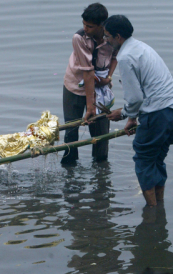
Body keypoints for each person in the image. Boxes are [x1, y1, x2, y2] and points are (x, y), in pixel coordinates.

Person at [105, 15, 173, 208]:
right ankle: (160, 205)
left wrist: (124, 114)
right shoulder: (142, 47)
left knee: (144, 159)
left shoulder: (124, 56)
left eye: (107, 37)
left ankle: (152, 213)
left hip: (158, 113)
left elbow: (135, 98)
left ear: (118, 36)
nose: (106, 41)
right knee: (156, 158)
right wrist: (131, 117)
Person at [62, 3, 118, 165]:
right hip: (75, 87)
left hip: (100, 88)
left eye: (90, 26)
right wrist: (91, 106)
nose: (86, 28)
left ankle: (101, 168)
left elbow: (115, 57)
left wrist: (108, 77)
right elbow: (87, 72)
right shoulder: (79, 38)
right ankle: (69, 167)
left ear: (102, 26)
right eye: (84, 25)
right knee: (71, 130)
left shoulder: (112, 37)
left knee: (101, 133)